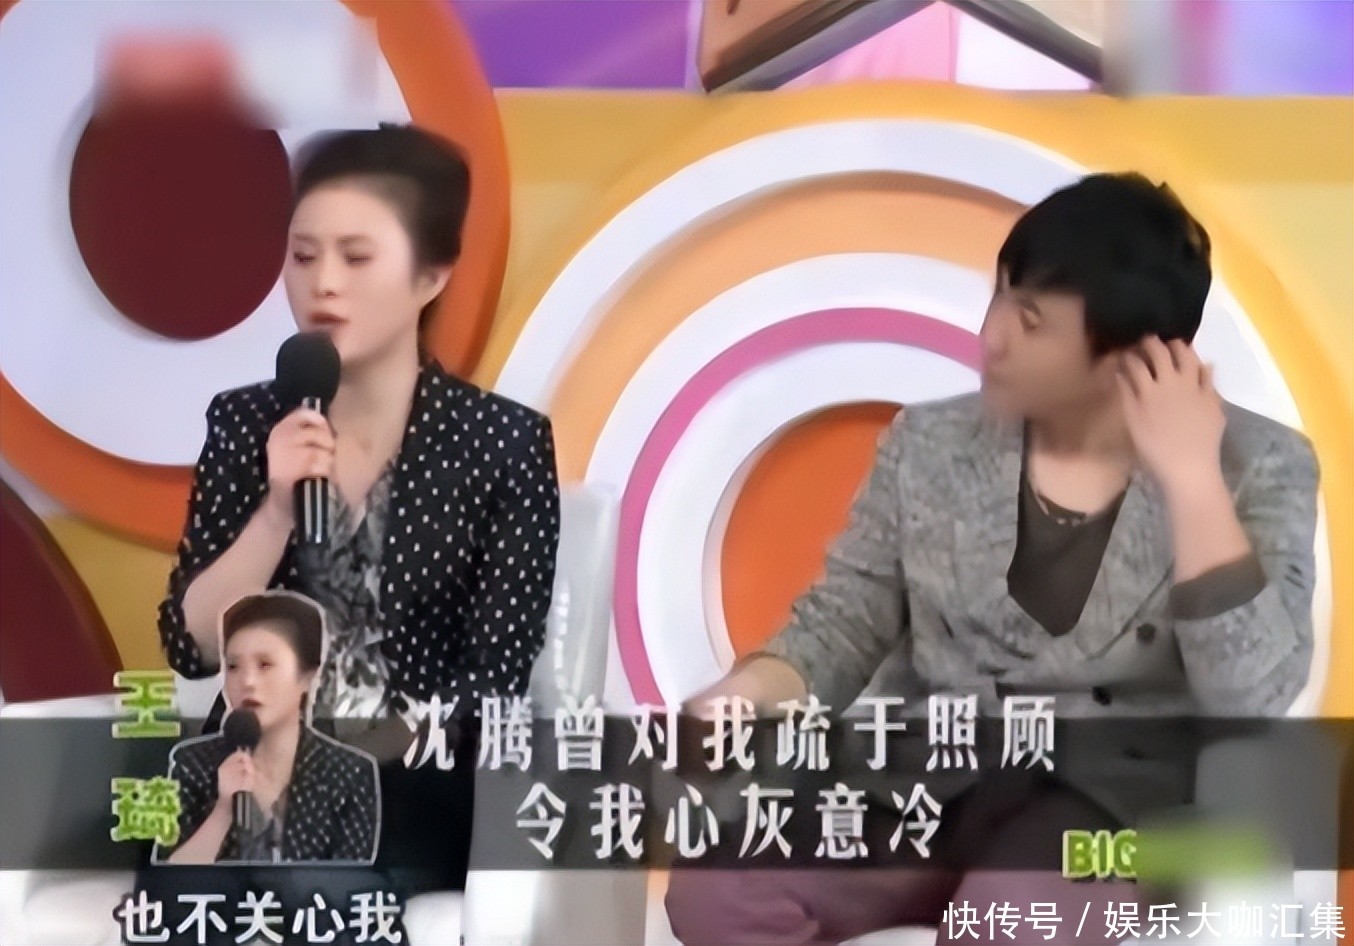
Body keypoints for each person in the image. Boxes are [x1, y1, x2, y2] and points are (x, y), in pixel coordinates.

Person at [666, 172, 1320, 944]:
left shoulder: (1257, 464)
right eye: (1001, 297)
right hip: (926, 781)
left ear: (1132, 356)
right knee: (716, 895)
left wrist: (1191, 481)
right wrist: (750, 692)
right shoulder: (929, 444)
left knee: (1007, 920)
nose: (994, 336)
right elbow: (843, 623)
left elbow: (1252, 695)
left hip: (1114, 810)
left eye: (1032, 321)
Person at [156, 123, 561, 892]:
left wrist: (344, 756)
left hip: (407, 786)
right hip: (244, 775)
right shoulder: (246, 423)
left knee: (305, 889)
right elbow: (192, 644)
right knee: (184, 889)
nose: (323, 284)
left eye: (357, 256)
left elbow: (495, 679)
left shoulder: (502, 443)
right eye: (304, 256)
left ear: (431, 275)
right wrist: (275, 511)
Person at [157, 592, 378, 865]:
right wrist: (223, 811)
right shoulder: (193, 765)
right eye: (233, 666)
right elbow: (166, 881)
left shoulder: (349, 774)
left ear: (308, 676)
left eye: (265, 665)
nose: (247, 681)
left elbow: (354, 884)